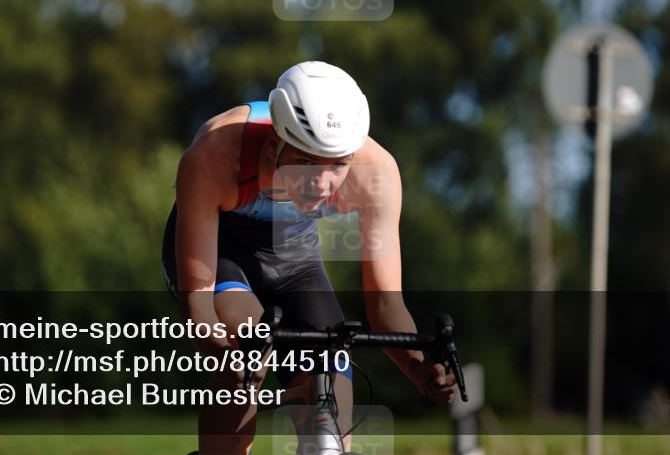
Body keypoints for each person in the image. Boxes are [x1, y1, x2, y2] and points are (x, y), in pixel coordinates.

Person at [162, 60, 456, 455]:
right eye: (304, 163)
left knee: (333, 382)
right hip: (222, 251)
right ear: (273, 144)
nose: (321, 183)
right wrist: (226, 358)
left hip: (294, 256)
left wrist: (419, 368)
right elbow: (198, 302)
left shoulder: (377, 173)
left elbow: (386, 301)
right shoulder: (215, 154)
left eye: (338, 165)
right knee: (251, 349)